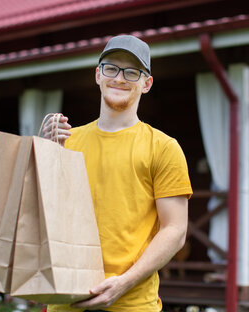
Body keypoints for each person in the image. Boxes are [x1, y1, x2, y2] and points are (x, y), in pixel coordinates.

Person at [42, 35, 193, 311]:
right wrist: (49, 155)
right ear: (98, 74)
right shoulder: (67, 140)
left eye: (132, 72)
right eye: (112, 68)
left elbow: (175, 230)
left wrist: (124, 282)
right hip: (65, 301)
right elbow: (43, 217)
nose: (120, 78)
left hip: (132, 304)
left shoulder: (163, 148)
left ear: (146, 84)